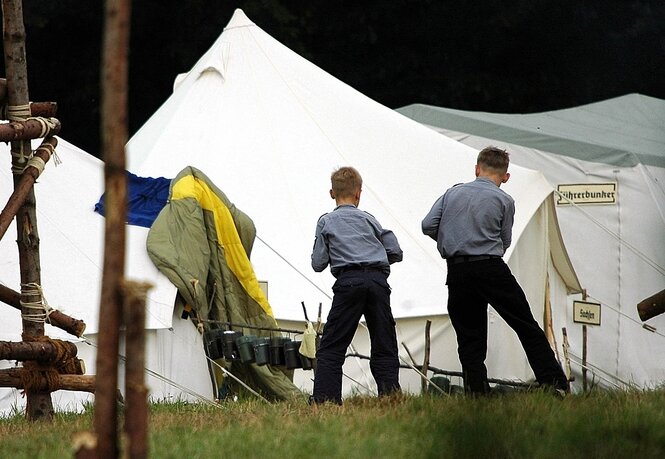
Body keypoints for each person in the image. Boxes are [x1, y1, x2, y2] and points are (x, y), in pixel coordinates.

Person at [421, 146, 568, 395]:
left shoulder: (451, 194)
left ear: (477, 169)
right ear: (506, 177)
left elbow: (427, 225)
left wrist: (451, 239)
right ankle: (553, 382)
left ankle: (477, 392)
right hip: (490, 267)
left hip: (458, 271)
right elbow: (505, 240)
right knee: (524, 323)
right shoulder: (504, 200)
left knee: (469, 335)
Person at [310, 166, 403, 404]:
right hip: (377, 281)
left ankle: (326, 400)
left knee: (333, 345)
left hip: (348, 282)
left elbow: (318, 263)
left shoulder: (326, 222)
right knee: (384, 340)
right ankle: (390, 396)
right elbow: (395, 250)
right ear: (359, 193)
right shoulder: (370, 219)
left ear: (332, 193)